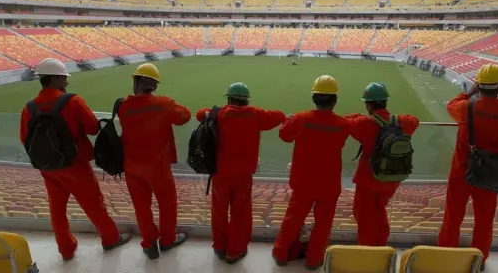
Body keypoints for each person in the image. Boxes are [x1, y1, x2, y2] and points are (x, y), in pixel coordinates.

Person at [19, 58, 130, 261]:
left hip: (48, 168)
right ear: (56, 78)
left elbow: (24, 137)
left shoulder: (29, 107)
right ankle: (110, 238)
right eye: (64, 77)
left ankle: (66, 249)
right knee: (94, 205)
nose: (66, 82)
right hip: (76, 165)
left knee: (57, 209)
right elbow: (92, 128)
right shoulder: (72, 101)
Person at [438, 64, 498, 271]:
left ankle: (445, 257)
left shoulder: (465, 108)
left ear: (479, 84)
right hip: (490, 173)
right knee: (484, 220)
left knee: (453, 216)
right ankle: (478, 261)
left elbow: (452, 104)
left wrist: (471, 91)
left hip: (462, 170)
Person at [196, 82, 286, 264]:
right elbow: (280, 116)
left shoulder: (218, 113)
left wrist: (215, 110)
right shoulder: (255, 114)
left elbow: (200, 114)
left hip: (219, 173)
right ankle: (234, 251)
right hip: (243, 174)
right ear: (246, 101)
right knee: (240, 213)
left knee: (219, 210)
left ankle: (220, 246)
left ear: (229, 98)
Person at [272, 75, 351, 271]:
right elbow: (344, 132)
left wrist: (289, 121)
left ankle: (281, 253)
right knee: (323, 224)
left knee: (293, 220)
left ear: (314, 98)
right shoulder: (342, 124)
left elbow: (284, 136)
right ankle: (314, 260)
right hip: (329, 184)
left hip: (303, 181)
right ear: (335, 100)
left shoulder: (300, 119)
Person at [117, 63, 191, 260]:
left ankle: (149, 243)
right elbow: (184, 116)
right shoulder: (163, 104)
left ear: (135, 81)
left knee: (142, 208)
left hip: (132, 167)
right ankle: (167, 240)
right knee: (167, 204)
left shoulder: (123, 106)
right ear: (155, 86)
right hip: (158, 167)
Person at [345, 82, 419, 246]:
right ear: (385, 102)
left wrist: (357, 115)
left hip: (369, 179)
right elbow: (415, 120)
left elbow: (345, 122)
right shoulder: (401, 122)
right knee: (380, 211)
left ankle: (368, 254)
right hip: (392, 179)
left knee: (364, 218)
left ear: (369, 104)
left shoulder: (364, 123)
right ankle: (381, 246)